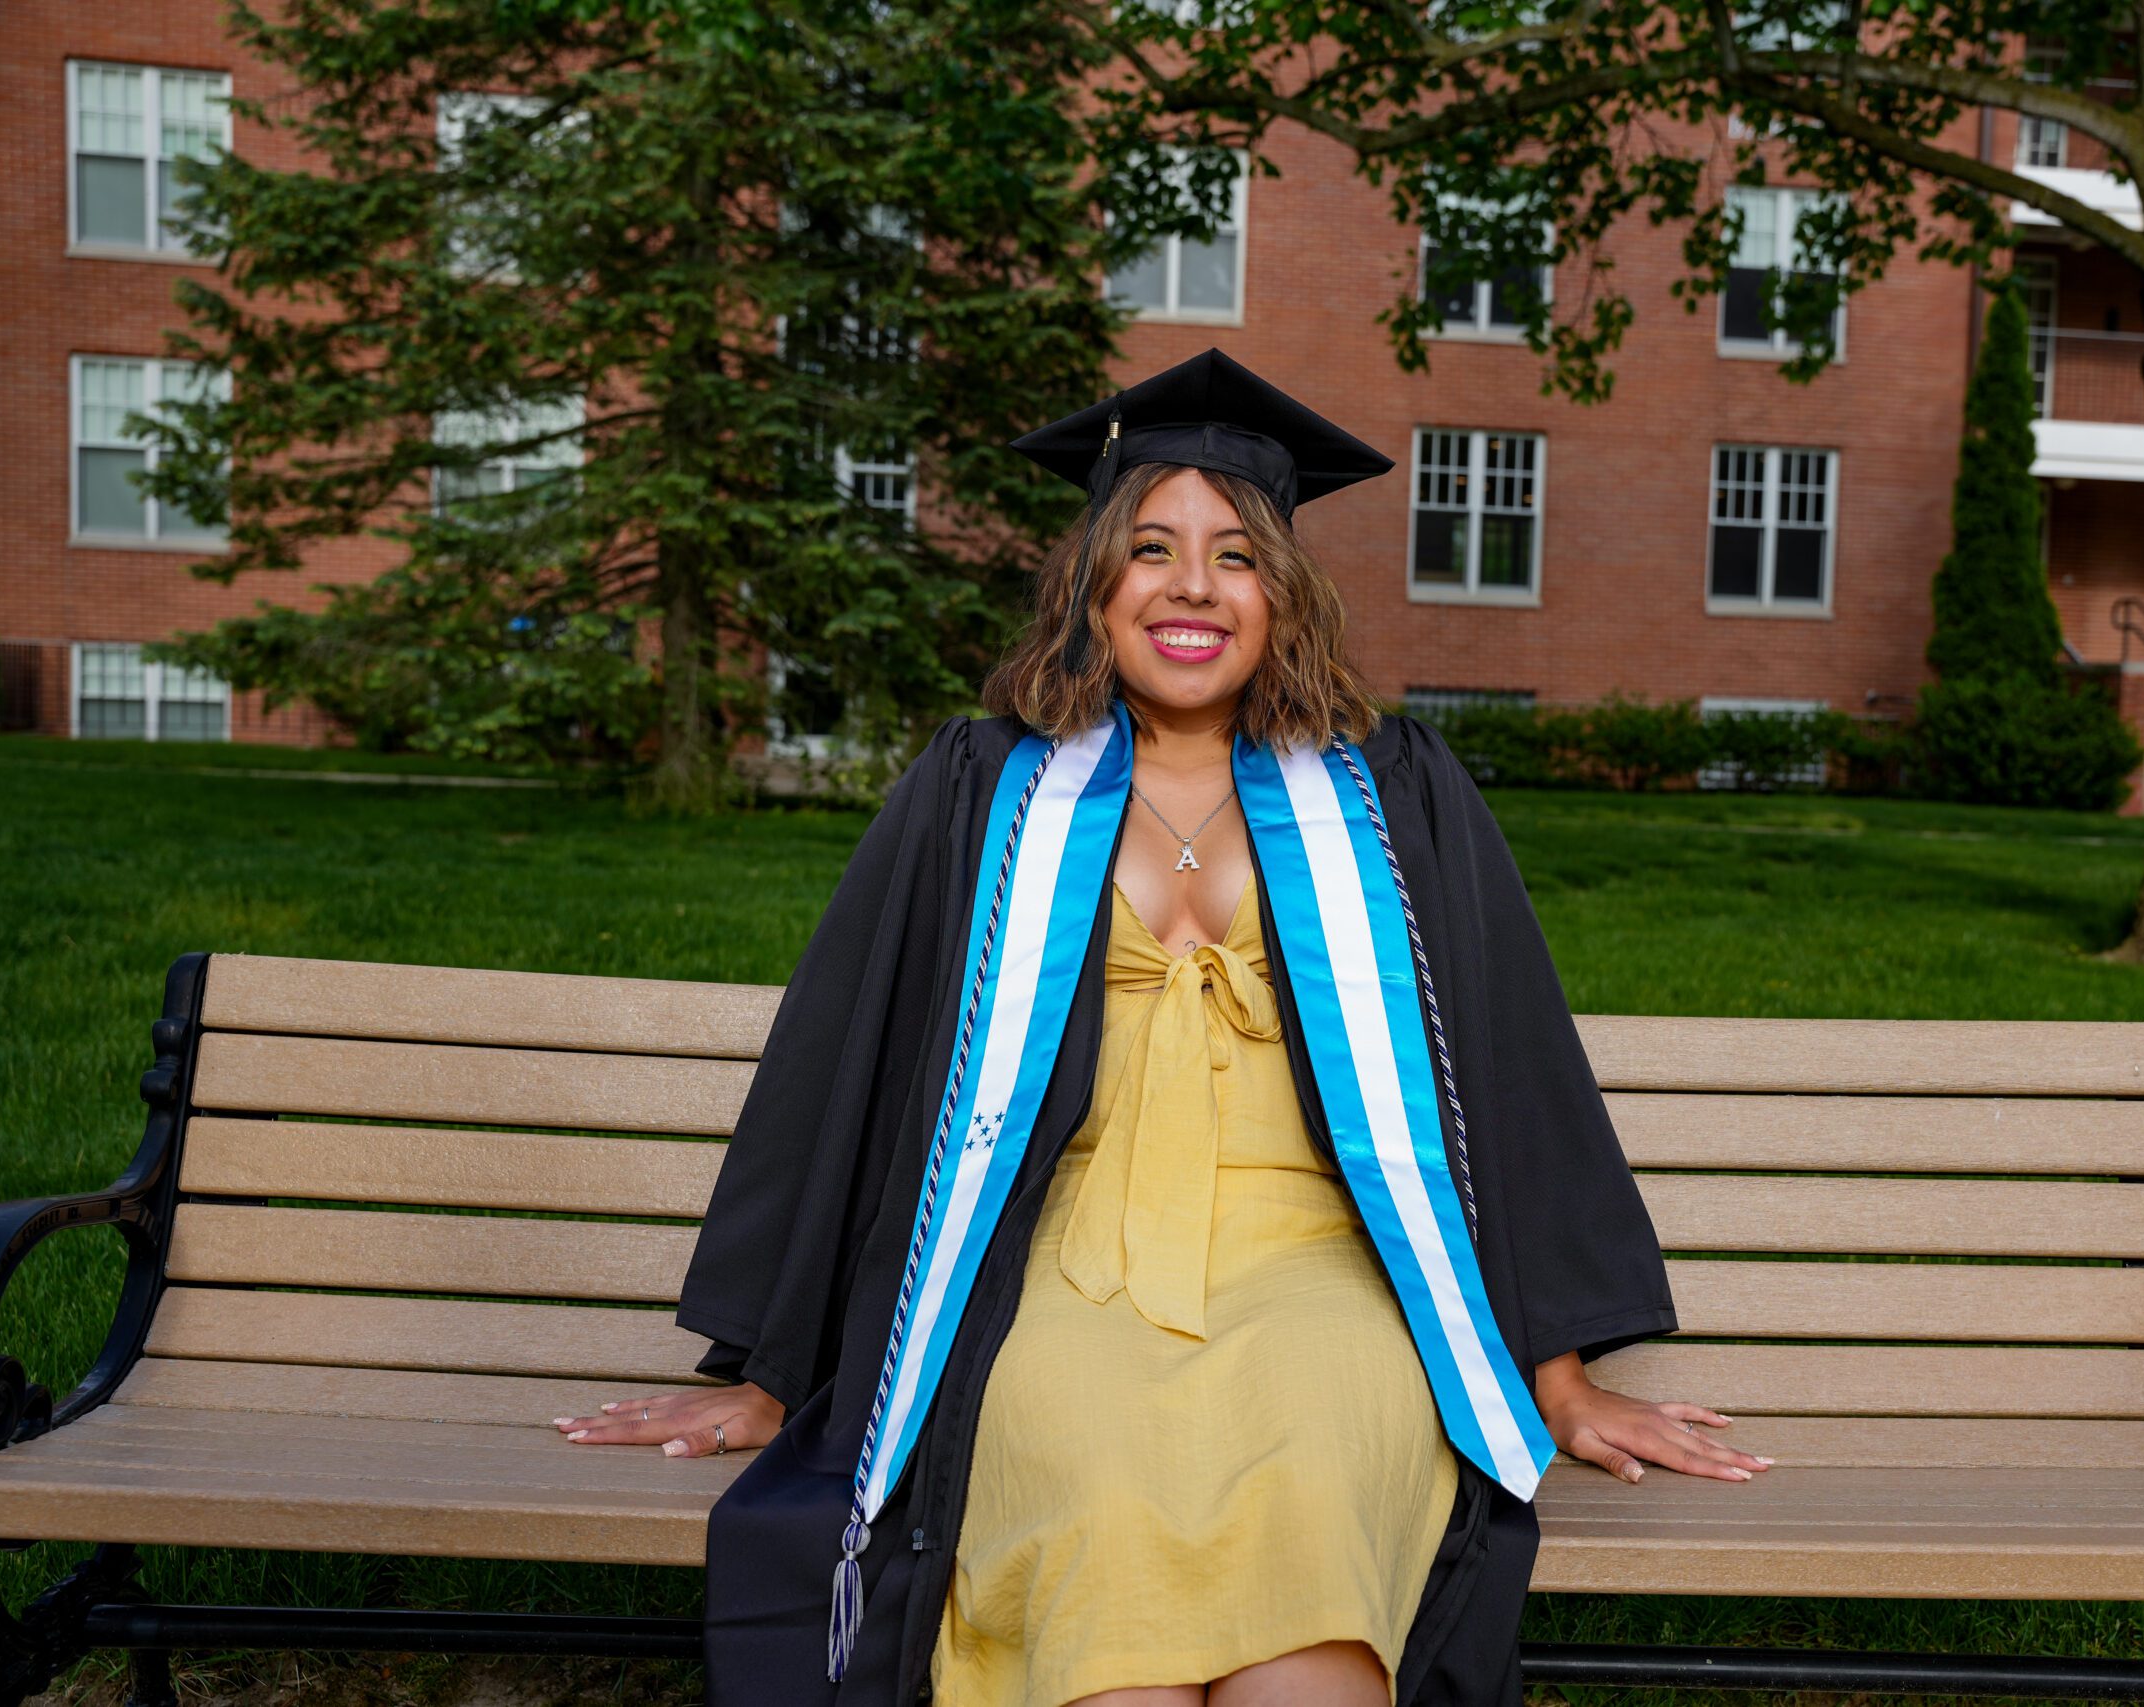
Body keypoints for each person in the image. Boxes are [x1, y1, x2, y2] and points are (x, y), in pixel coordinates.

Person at [550, 347, 1769, 1706]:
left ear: (1281, 596)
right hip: (1057, 1280)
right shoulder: (981, 796)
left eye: (1235, 556)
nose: (1192, 584)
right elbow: (848, 1071)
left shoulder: (1392, 801)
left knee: (1310, 1480)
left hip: (1333, 1280)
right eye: (1150, 549)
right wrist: (777, 1377)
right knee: (1088, 1484)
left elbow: (1508, 1076)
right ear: (1095, 587)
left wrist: (1557, 1370)